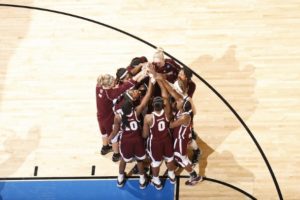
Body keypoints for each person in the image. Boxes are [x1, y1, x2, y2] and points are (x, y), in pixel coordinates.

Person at [108, 70, 154, 189]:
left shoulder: (118, 116)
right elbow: (147, 97)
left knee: (123, 159)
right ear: (132, 105)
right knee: (139, 161)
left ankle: (120, 178)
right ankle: (142, 180)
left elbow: (115, 132)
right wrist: (151, 83)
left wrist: (110, 138)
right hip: (137, 140)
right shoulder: (136, 112)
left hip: (126, 142)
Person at [96, 68, 147, 162]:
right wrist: (142, 73)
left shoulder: (98, 86)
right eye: (113, 83)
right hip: (108, 118)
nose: (115, 83)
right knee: (114, 138)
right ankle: (116, 155)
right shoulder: (110, 94)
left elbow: (112, 85)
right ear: (109, 85)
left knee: (103, 133)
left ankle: (105, 148)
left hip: (100, 116)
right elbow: (126, 86)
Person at [159, 78, 203, 186]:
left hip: (180, 139)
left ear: (182, 107)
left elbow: (170, 125)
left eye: (179, 103)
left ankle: (194, 176)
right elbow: (173, 93)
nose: (177, 102)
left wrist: (162, 118)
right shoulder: (184, 108)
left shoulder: (184, 117)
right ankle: (184, 167)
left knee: (180, 157)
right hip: (182, 136)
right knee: (180, 155)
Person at [143, 79, 176, 190]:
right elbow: (166, 97)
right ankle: (172, 176)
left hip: (155, 142)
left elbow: (145, 134)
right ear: (163, 105)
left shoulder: (148, 117)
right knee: (170, 159)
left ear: (153, 105)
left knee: (156, 162)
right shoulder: (167, 113)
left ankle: (157, 181)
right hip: (166, 139)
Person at [174, 68, 201, 164]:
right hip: (178, 109)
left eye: (181, 74)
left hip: (186, 111)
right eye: (179, 73)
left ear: (186, 78)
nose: (178, 75)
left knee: (189, 139)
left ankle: (197, 151)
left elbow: (186, 100)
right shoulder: (177, 81)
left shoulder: (192, 86)